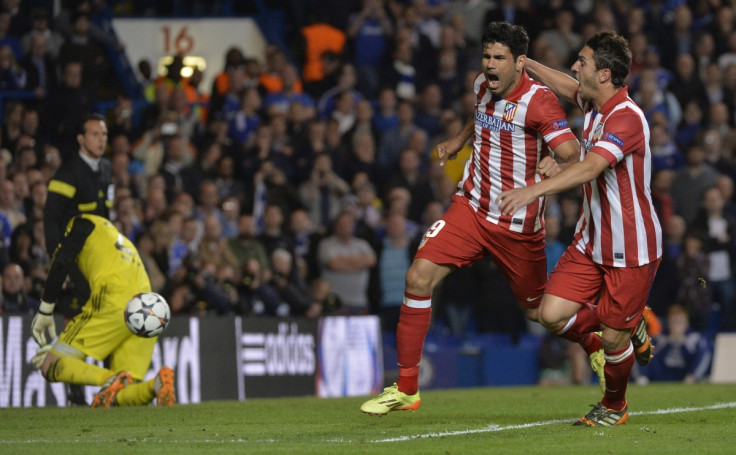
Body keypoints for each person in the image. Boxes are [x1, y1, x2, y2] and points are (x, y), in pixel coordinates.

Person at [359, 21, 579, 416]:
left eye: (499, 58)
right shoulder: (483, 85)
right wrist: (459, 141)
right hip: (471, 208)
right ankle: (407, 388)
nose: (490, 65)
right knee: (417, 277)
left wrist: (555, 162)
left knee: (538, 313)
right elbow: (480, 117)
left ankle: (599, 344)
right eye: (486, 56)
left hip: (516, 222)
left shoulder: (541, 101)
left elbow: (574, 155)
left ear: (520, 63)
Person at [496, 31, 662, 427]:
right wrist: (528, 64)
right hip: (591, 241)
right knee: (549, 314)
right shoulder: (592, 101)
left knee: (611, 341)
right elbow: (567, 85)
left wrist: (534, 189)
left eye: (583, 61)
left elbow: (591, 167)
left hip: (631, 249)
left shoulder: (627, 118)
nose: (575, 66)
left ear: (604, 74)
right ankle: (626, 322)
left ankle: (614, 405)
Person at [30, 214, 176, 408]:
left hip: (115, 298)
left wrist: (45, 309)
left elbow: (62, 259)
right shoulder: (117, 240)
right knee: (120, 396)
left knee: (49, 365)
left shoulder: (81, 224)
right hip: (147, 306)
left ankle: (110, 379)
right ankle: (156, 384)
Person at [43, 112, 113, 406]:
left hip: (102, 259)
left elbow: (105, 216)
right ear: (81, 139)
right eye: (95, 135)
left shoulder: (105, 169)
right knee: (85, 319)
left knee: (107, 315)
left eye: (104, 135)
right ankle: (75, 388)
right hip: (77, 260)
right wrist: (61, 266)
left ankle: (111, 384)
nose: (101, 140)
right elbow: (51, 220)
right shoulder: (68, 174)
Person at [638, 304, 712, 384]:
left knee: (704, 349)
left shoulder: (695, 339)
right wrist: (669, 342)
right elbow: (652, 360)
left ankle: (693, 377)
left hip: (685, 378)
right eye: (673, 322)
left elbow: (703, 357)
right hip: (660, 378)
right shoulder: (659, 339)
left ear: (687, 323)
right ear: (668, 323)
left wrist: (682, 343)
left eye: (679, 322)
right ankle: (642, 379)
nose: (676, 325)